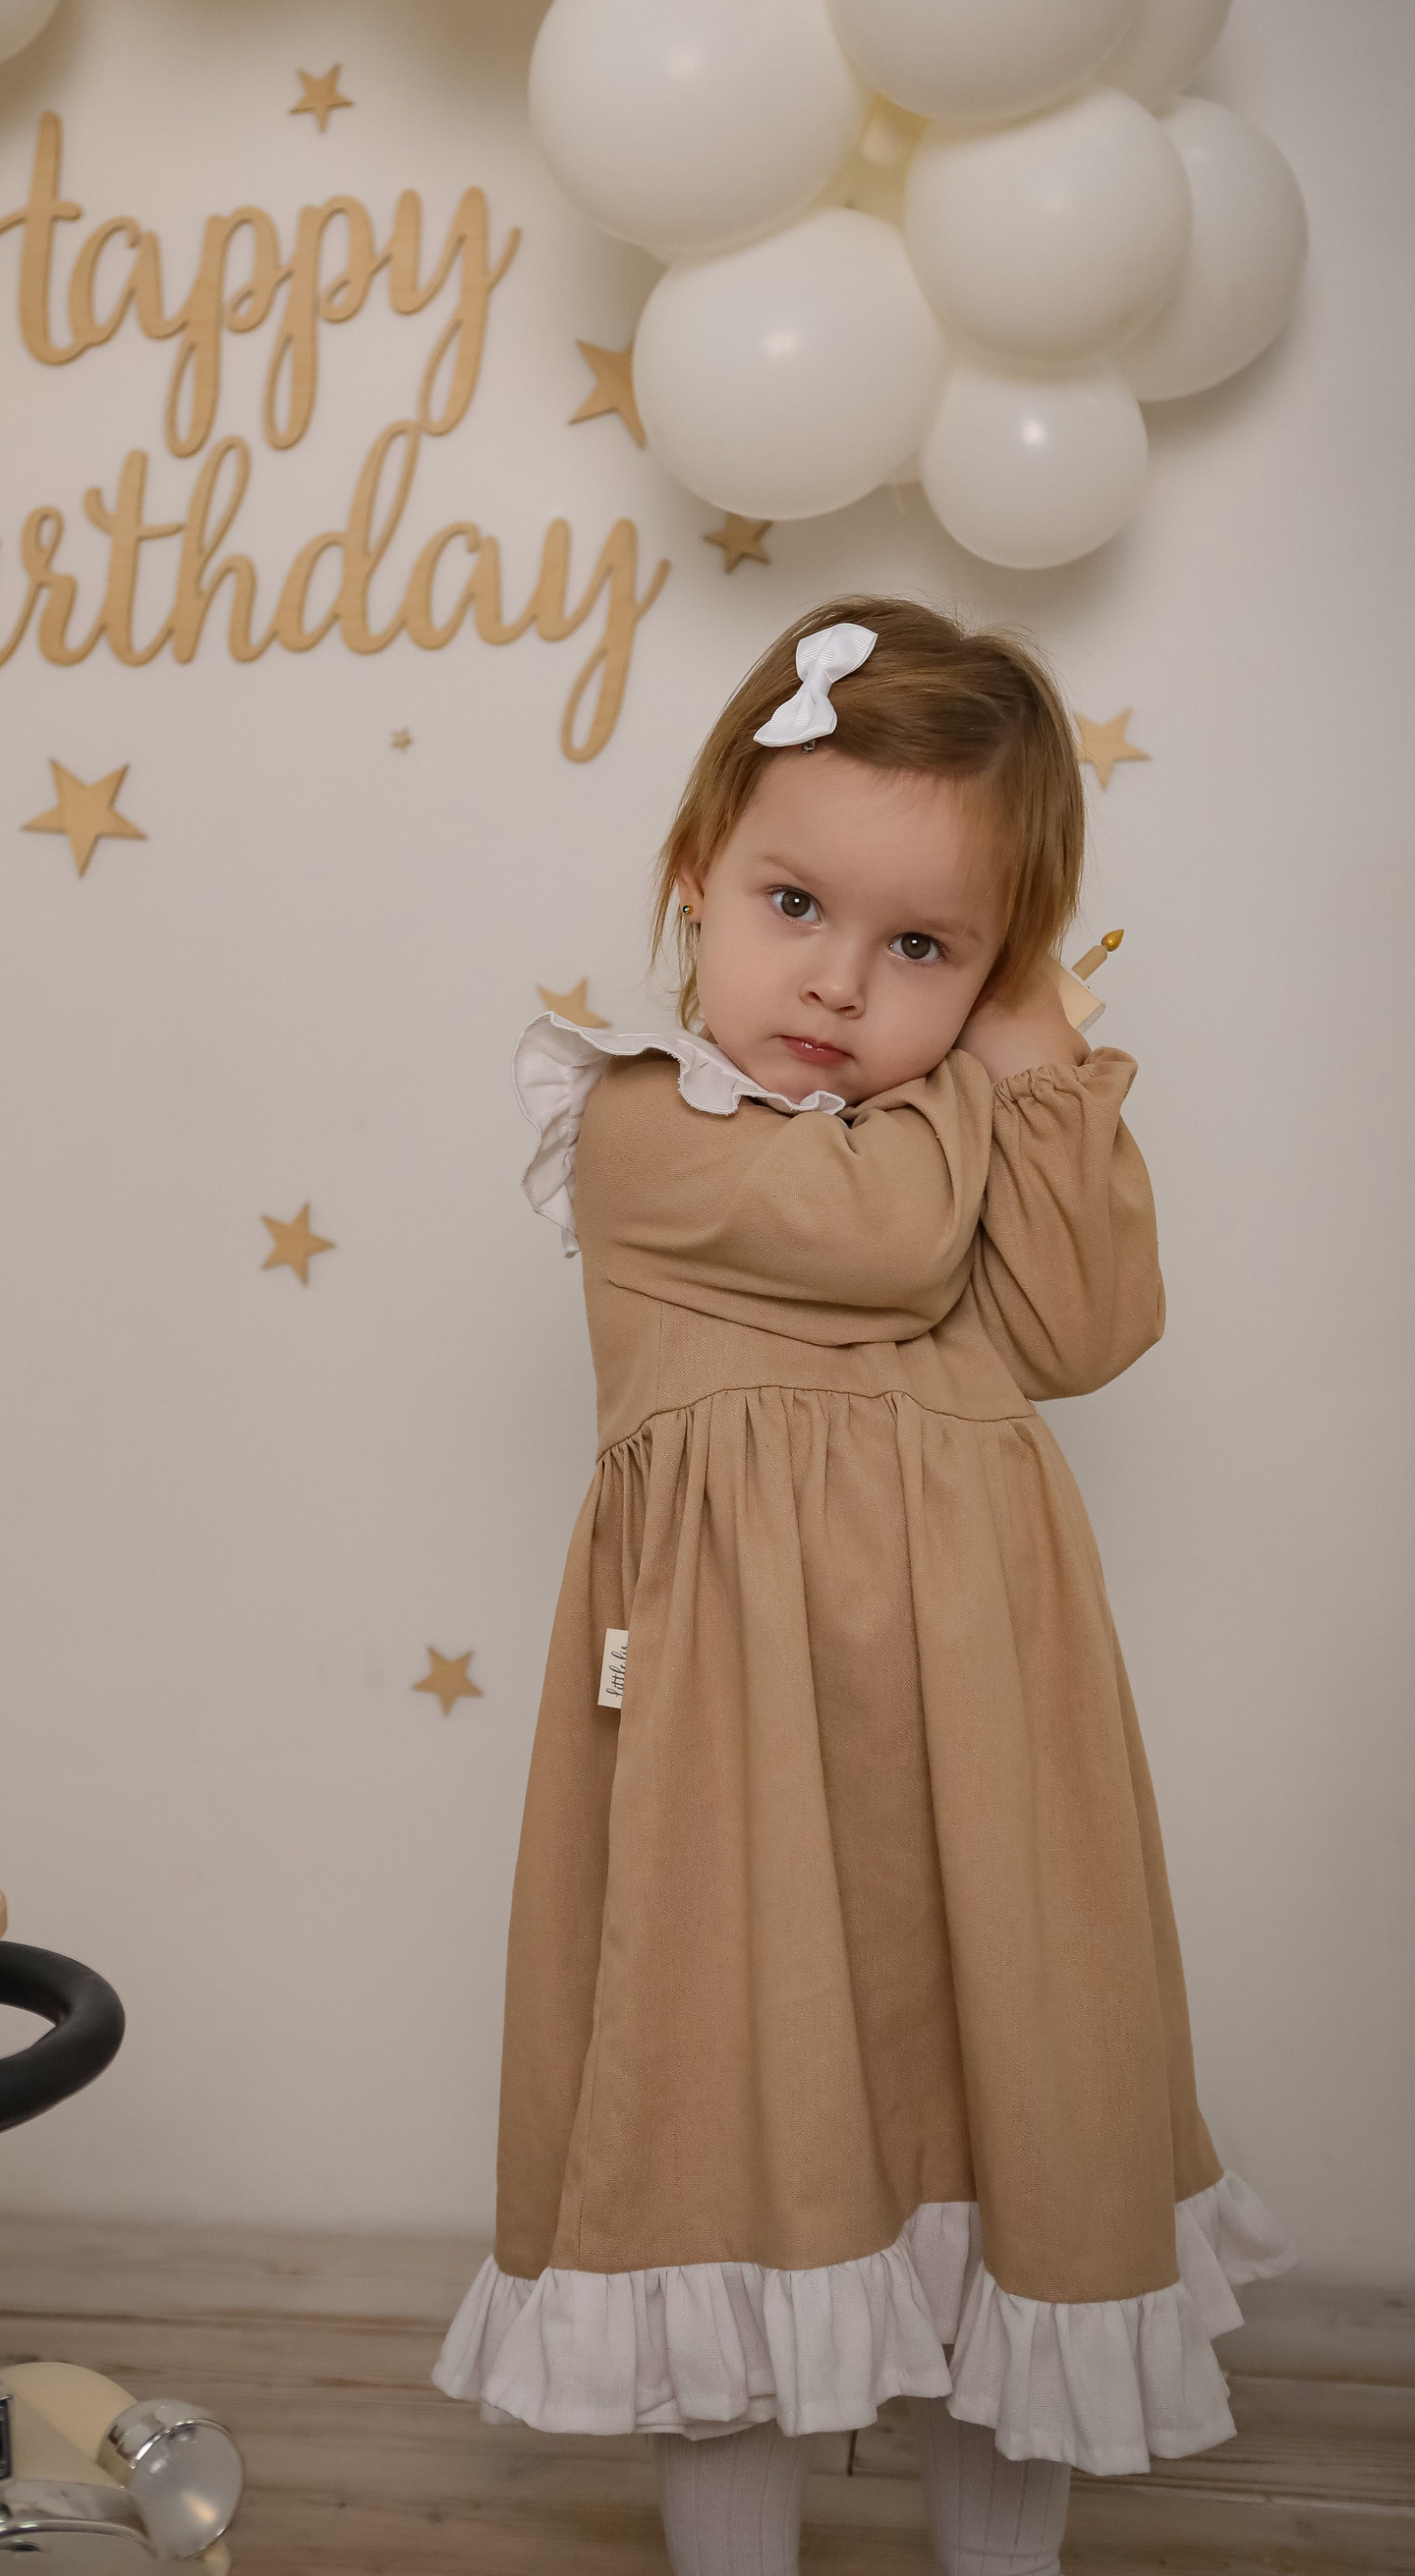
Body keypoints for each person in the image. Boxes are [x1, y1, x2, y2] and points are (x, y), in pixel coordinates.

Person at [434, 599, 1293, 2576]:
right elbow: (900, 1243)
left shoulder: (961, 1125)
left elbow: (1087, 1320)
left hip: (987, 1741)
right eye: (796, 904)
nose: (836, 981)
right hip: (735, 1763)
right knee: (730, 2152)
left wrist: (1043, 1058)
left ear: (994, 970)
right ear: (696, 876)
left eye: (924, 947)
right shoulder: (644, 1125)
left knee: (1016, 2151)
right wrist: (992, 1061)